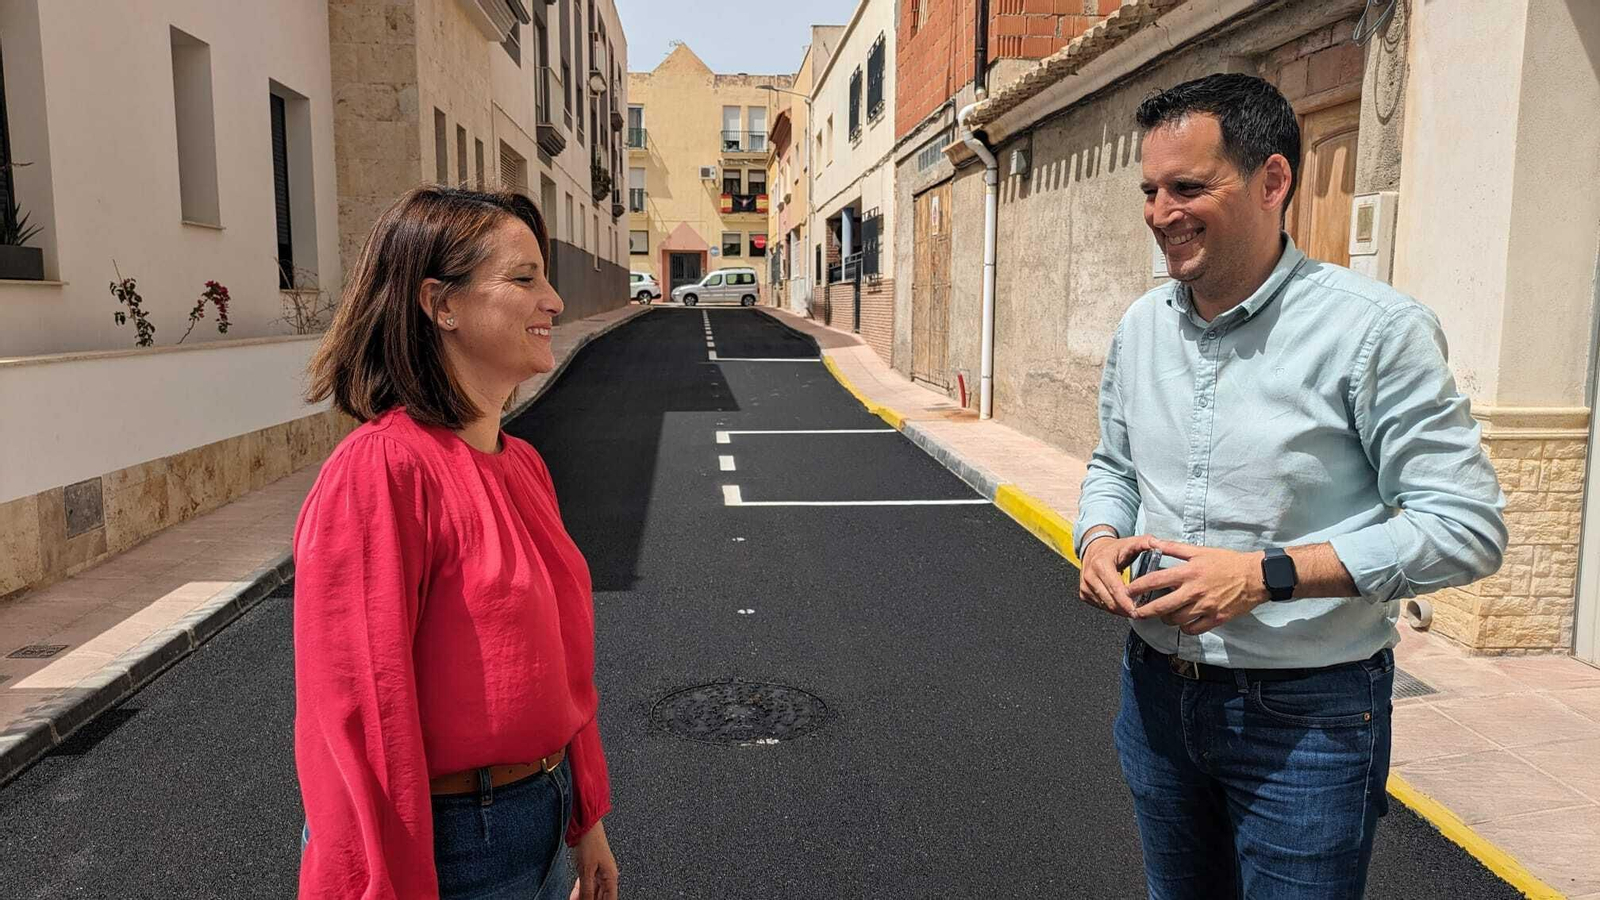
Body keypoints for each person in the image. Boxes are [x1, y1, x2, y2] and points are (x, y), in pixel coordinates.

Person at [1073, 74, 1506, 899]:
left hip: (1308, 719)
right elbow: (1114, 467)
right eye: (1151, 189)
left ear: (1274, 181)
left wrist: (1266, 575)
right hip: (1155, 698)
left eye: (1189, 186)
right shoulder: (1139, 328)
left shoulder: (1374, 331)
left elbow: (1466, 525)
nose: (1160, 212)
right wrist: (1096, 536)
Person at [294, 186, 620, 900]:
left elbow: (564, 661)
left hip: (542, 813)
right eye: (524, 278)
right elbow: (359, 722)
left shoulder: (522, 463)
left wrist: (585, 815)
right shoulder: (381, 473)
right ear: (441, 304)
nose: (555, 303)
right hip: (451, 849)